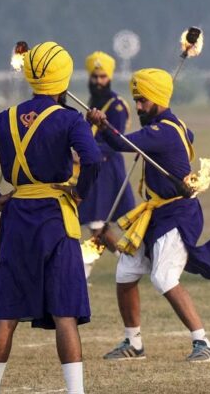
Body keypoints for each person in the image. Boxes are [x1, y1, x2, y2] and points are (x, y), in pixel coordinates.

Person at [0, 41, 101, 394]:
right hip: (55, 219)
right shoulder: (69, 118)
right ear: (63, 79)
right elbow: (92, 160)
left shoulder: (2, 118)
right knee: (65, 313)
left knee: (6, 314)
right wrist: (80, 192)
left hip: (17, 218)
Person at [86, 68, 210, 363]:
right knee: (125, 273)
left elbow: (120, 144)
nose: (139, 106)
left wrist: (103, 125)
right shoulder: (172, 126)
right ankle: (133, 344)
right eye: (137, 100)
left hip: (177, 214)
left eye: (144, 101)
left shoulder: (163, 132)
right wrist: (148, 146)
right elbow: (186, 135)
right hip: (155, 213)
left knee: (163, 277)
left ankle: (203, 343)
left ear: (159, 99)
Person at [78, 51, 135, 278]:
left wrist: (85, 152)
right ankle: (123, 261)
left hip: (107, 169)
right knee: (98, 226)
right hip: (92, 168)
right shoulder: (92, 102)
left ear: (109, 77)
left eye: (103, 77)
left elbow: (116, 139)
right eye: (95, 77)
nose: (99, 81)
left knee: (97, 224)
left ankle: (123, 261)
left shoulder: (117, 106)